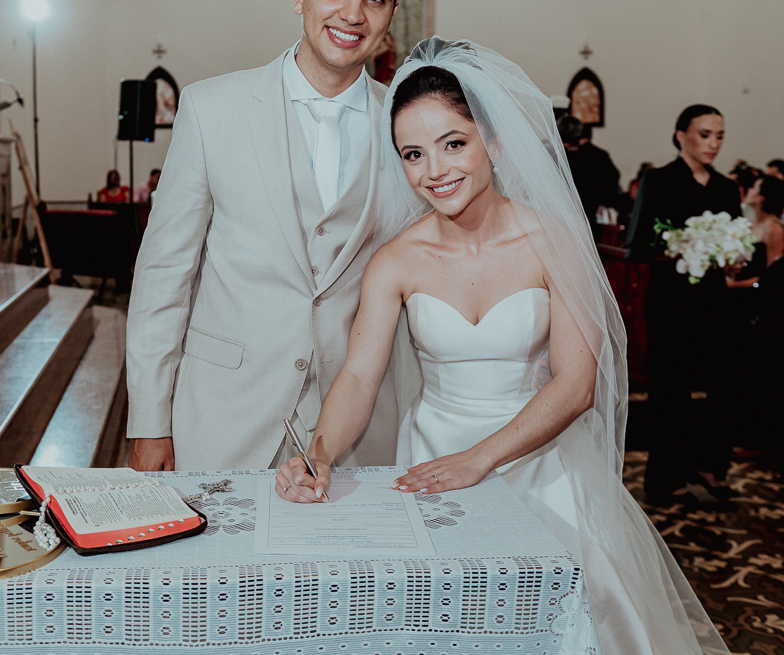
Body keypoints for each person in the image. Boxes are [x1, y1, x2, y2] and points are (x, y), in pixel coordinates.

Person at [275, 38, 730, 655]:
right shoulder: (396, 260)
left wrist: (480, 460)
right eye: (412, 154)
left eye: (453, 143)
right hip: (431, 456)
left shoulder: (555, 241)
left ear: (492, 140)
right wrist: (322, 451)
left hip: (539, 462)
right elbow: (358, 375)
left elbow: (576, 384)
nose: (434, 170)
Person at [126, 0, 421, 471]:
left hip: (360, 431)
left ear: (390, 14)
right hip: (224, 418)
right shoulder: (211, 109)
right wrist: (149, 422)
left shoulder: (407, 126)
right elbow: (164, 275)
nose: (353, 13)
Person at [626, 104, 741, 503]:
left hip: (713, 300)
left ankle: (711, 466)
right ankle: (666, 478)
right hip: (672, 303)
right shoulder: (658, 180)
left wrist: (733, 255)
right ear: (681, 136)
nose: (713, 143)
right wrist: (680, 246)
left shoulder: (726, 187)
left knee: (723, 386)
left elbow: (736, 243)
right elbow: (637, 245)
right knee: (670, 391)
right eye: (705, 134)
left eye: (720, 135)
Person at [557, 115, 620, 232]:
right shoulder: (594, 155)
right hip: (588, 217)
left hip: (557, 217)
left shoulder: (552, 156)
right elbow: (612, 179)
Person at [727, 175, 784, 289]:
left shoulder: (774, 228)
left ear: (762, 197)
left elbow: (773, 274)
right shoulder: (749, 222)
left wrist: (735, 285)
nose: (749, 190)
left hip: (755, 292)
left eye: (754, 187)